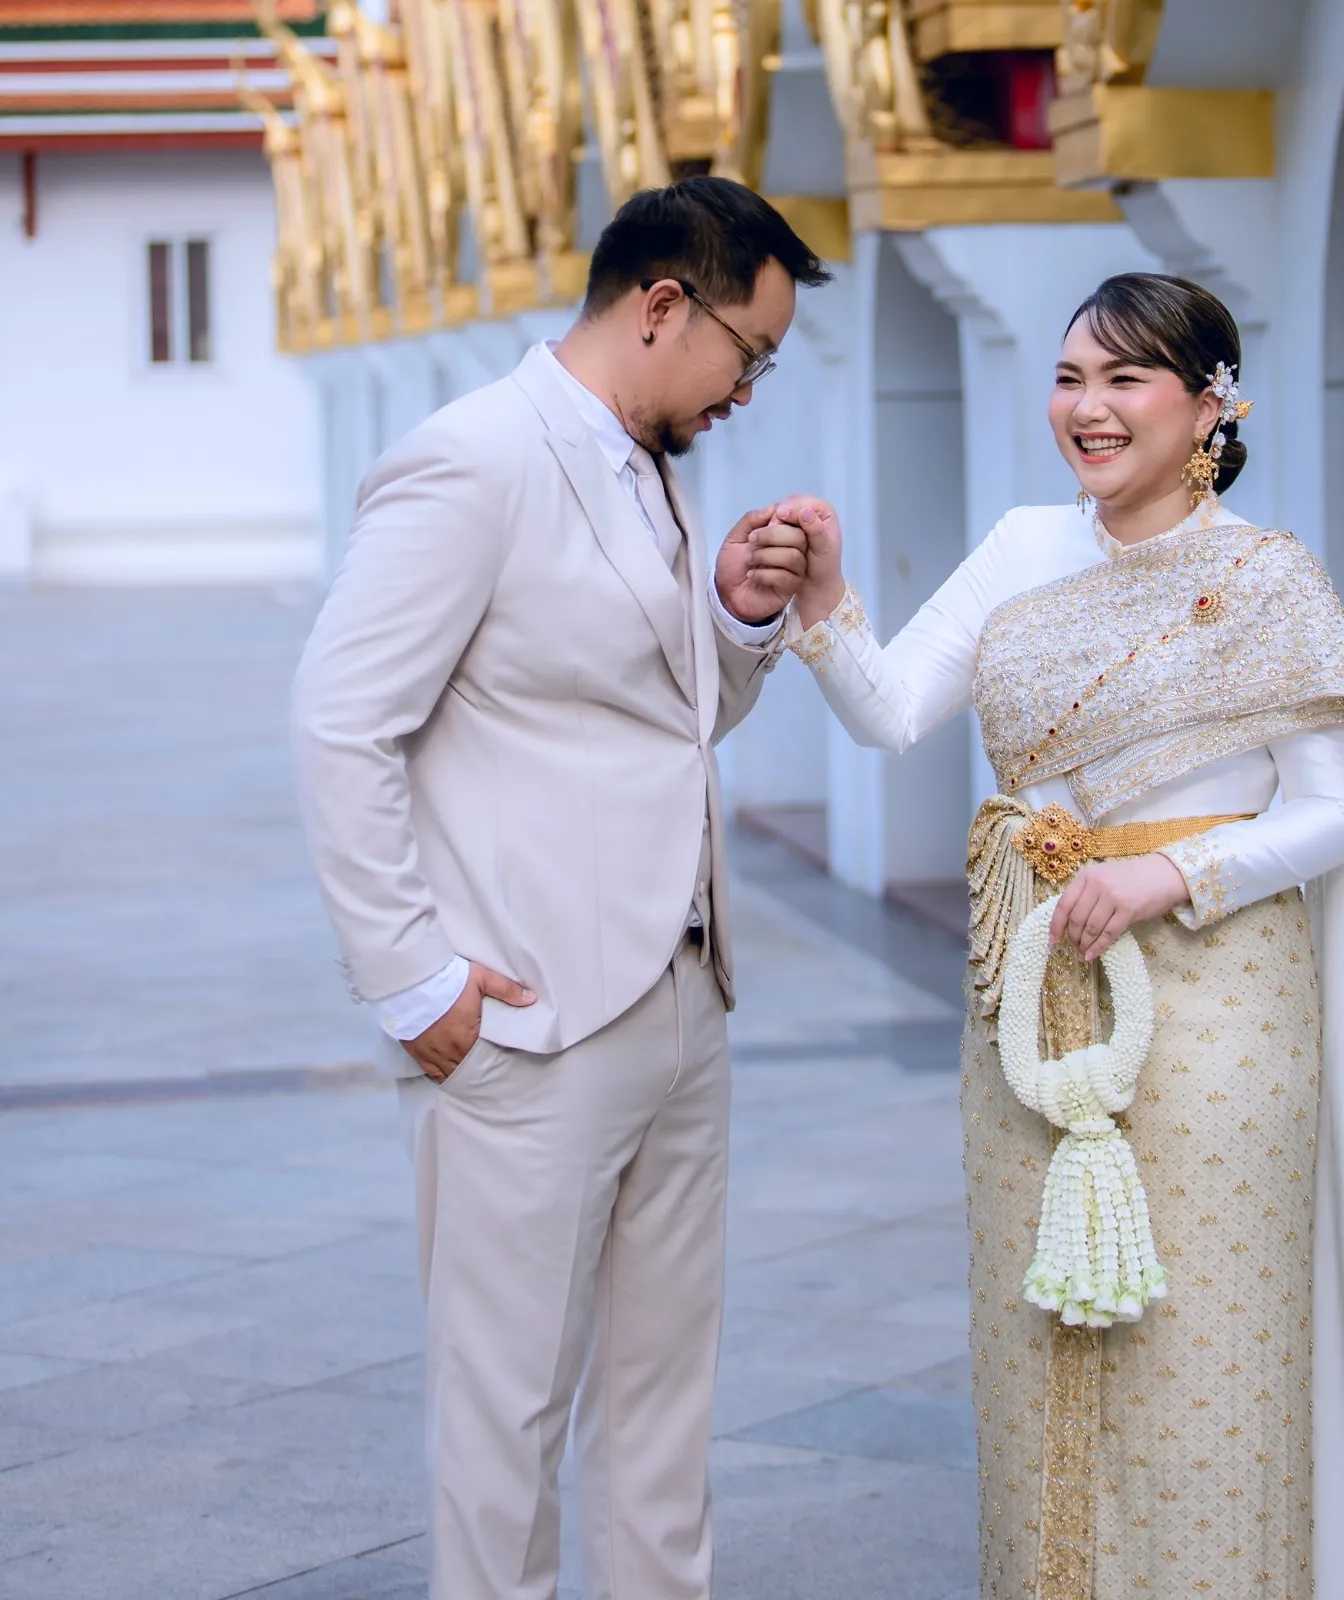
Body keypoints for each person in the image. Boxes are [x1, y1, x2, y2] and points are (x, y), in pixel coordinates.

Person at [775, 273, 1344, 1600]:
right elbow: (894, 709)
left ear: (1211, 403)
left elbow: (1337, 815)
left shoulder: (1265, 581)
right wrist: (827, 600)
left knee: (1204, 1347)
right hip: (1042, 995)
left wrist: (1170, 876)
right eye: (1072, 377)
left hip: (1223, 1009)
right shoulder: (1026, 548)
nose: (1088, 407)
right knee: (1044, 1344)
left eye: (1126, 378)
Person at [290, 176, 831, 1600]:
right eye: (748, 353)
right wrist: (413, 981)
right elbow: (342, 723)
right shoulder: (469, 462)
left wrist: (734, 615)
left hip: (681, 1004)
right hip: (525, 1023)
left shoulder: (647, 464)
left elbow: (655, 719)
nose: (748, 391)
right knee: (505, 1422)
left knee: (665, 1418)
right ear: (663, 305)